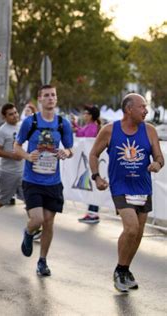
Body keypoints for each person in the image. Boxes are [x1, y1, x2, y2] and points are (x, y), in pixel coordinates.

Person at [89, 93, 163, 293]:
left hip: (143, 187)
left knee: (138, 233)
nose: (146, 110)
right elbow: (94, 154)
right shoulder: (109, 130)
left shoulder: (150, 130)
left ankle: (125, 270)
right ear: (129, 109)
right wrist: (96, 177)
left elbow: (159, 157)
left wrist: (156, 164)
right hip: (120, 186)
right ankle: (120, 270)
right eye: (142, 107)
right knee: (130, 228)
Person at [14, 84, 74, 277]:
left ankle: (42, 261)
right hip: (32, 180)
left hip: (53, 182)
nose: (50, 98)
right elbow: (17, 146)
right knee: (37, 219)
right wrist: (26, 156)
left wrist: (66, 152)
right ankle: (29, 232)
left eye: (53, 95)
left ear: (56, 99)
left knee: (48, 222)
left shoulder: (63, 124)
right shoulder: (30, 123)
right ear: (40, 99)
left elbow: (70, 149)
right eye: (46, 95)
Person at [0, 103, 24, 231]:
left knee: (30, 200)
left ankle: (34, 228)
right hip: (8, 172)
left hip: (23, 172)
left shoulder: (22, 126)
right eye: (11, 114)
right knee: (3, 200)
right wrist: (13, 155)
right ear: (4, 117)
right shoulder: (3, 130)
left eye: (15, 112)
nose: (15, 116)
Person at [71, 105, 102, 224]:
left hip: (90, 161)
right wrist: (75, 125)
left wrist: (75, 127)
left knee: (92, 187)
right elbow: (81, 133)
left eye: (86, 113)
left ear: (91, 115)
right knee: (91, 187)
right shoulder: (90, 126)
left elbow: (84, 139)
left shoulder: (92, 127)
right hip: (88, 161)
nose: (84, 115)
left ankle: (93, 213)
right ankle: (91, 212)